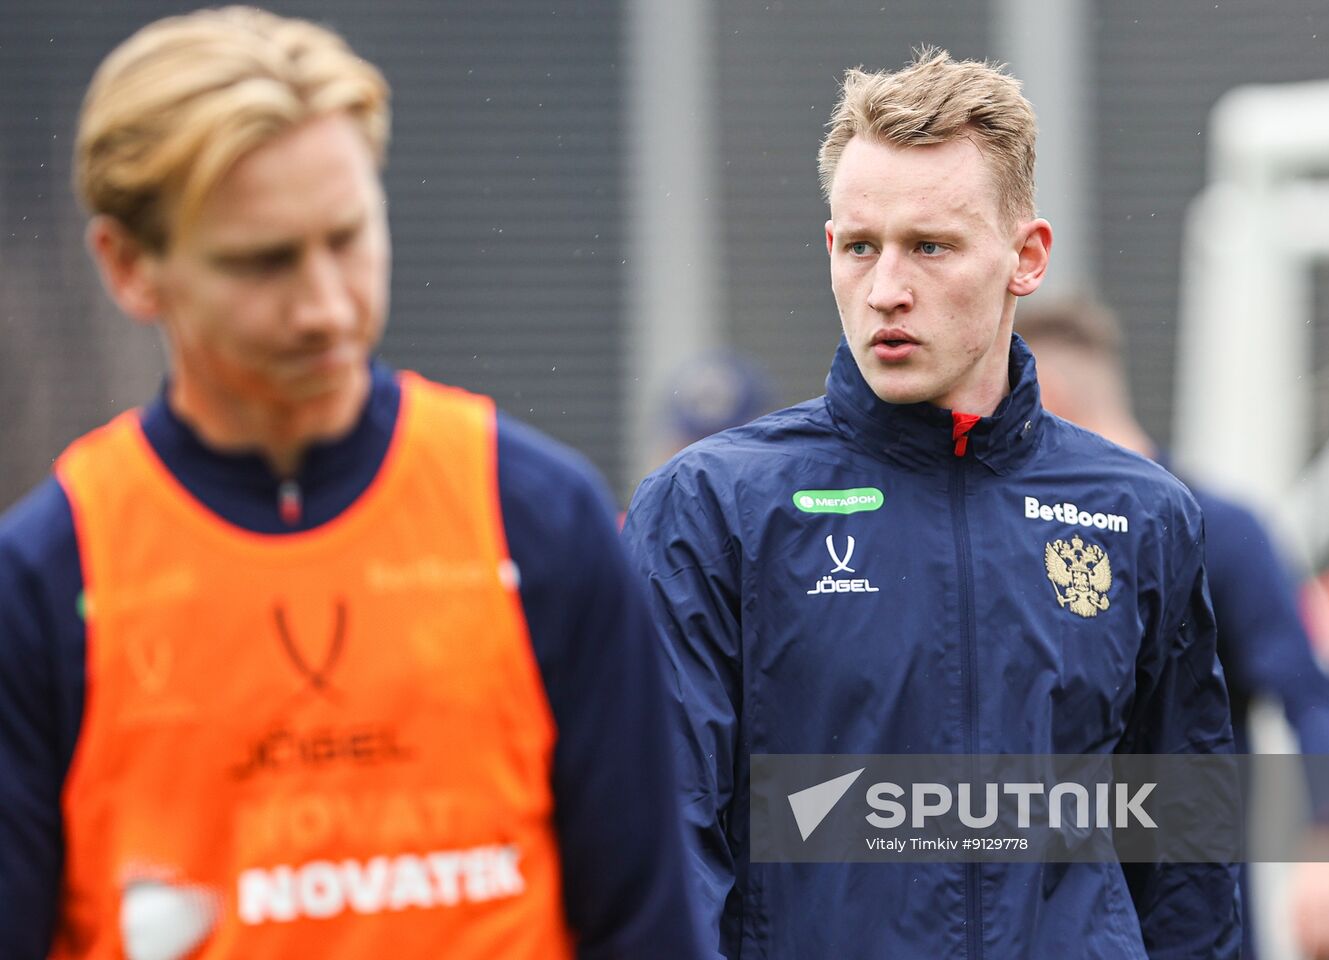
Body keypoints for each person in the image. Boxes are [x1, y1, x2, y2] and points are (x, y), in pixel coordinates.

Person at [0, 9, 700, 959]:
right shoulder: (49, 578)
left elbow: (647, 926)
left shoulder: (536, 518)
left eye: (349, 237)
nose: (327, 306)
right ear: (130, 268)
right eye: (265, 262)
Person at [623, 48, 1239, 958]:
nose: (886, 291)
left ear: (1025, 258)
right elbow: (661, 842)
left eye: (932, 247)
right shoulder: (712, 508)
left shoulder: (1141, 514)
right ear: (831, 247)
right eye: (862, 247)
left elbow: (1183, 855)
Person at [1016, 295, 1329, 960]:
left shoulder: (1216, 530)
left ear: (1049, 394)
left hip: (1193, 915)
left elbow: (1311, 696)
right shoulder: (1011, 537)